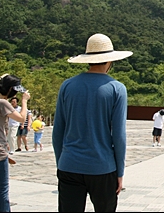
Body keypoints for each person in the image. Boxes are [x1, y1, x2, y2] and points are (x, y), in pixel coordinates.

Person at [52, 33, 132, 212]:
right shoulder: (117, 89)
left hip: (69, 166)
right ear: (109, 61)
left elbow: (58, 131)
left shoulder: (67, 86)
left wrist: (61, 163)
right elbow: (118, 136)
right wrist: (120, 172)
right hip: (103, 167)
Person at [0, 74, 30, 212]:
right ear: (10, 89)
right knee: (2, 190)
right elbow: (21, 118)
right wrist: (24, 101)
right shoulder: (2, 103)